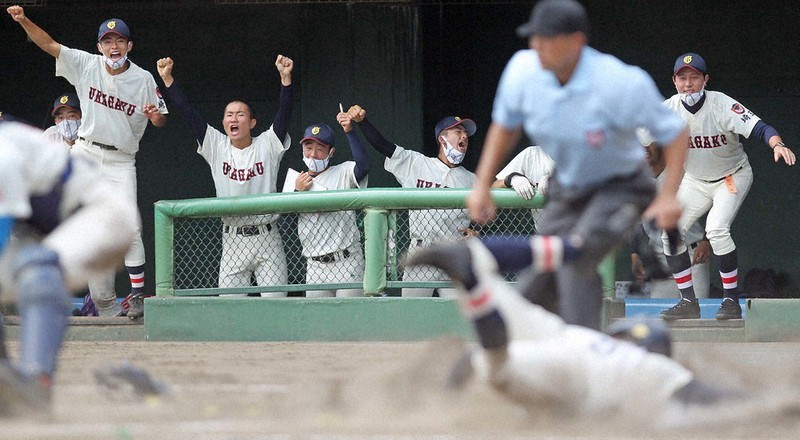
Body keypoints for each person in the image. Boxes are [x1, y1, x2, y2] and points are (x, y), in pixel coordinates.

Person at [464, 0, 688, 330]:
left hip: (621, 186)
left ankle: (587, 349)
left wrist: (668, 195)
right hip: (568, 186)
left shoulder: (618, 81)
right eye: (533, 37)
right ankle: (524, 349)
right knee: (538, 274)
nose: (536, 45)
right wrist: (483, 184)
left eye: (547, 38)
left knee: (575, 255)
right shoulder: (523, 70)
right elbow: (505, 127)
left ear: (577, 41)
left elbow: (675, 132)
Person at [403, 238, 737, 420]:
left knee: (491, 305)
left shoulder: (595, 339)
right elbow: (706, 396)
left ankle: (474, 265)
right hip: (575, 374)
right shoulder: (649, 366)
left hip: (560, 335)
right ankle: (474, 286)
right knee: (495, 364)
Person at [7, 6, 169, 319]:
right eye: (107, 41)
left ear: (129, 45)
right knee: (64, 214)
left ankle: (136, 295)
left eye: (119, 40)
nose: (113, 46)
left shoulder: (144, 78)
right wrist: (23, 20)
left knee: (129, 226)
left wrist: (155, 116)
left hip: (122, 159)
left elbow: (161, 119)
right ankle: (46, 279)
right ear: (99, 47)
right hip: (87, 150)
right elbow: (50, 45)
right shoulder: (86, 63)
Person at [0, 120, 139, 416]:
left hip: (104, 216)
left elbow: (3, 229)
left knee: (37, 265)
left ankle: (37, 381)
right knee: (35, 262)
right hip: (59, 231)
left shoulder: (4, 151)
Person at [658, 52, 796, 320]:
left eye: (694, 77)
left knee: (717, 229)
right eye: (682, 78)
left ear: (705, 80)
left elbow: (760, 128)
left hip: (731, 177)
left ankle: (731, 302)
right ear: (674, 81)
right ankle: (688, 301)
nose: (688, 84)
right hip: (696, 181)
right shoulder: (667, 110)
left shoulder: (721, 104)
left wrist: (777, 144)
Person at [156, 55, 293, 297]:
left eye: (240, 114)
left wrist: (285, 80)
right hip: (232, 238)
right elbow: (189, 113)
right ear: (223, 122)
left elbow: (284, 114)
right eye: (229, 114)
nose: (233, 118)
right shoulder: (217, 146)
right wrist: (168, 80)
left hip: (267, 236)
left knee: (276, 304)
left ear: (252, 122)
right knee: (229, 306)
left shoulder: (267, 145)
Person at [347, 104, 479, 297]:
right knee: (412, 315)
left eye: (466, 133)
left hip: (454, 253)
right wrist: (362, 122)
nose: (464, 136)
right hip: (422, 251)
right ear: (442, 138)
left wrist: (476, 231)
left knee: (458, 317)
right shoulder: (417, 164)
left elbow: (480, 213)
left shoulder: (472, 179)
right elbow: (383, 146)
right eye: (458, 131)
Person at [630, 128, 711, 299]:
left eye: (649, 144)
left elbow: (714, 198)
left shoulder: (680, 172)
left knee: (697, 313)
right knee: (661, 314)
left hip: (692, 254)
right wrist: (635, 253)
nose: (645, 149)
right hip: (660, 256)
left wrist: (706, 240)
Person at [293, 118, 370, 297]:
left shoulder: (342, 172)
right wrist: (297, 193)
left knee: (349, 320)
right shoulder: (296, 181)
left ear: (331, 152)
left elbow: (364, 166)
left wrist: (350, 131)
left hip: (346, 259)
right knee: (318, 322)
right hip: (314, 265)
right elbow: (286, 224)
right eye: (308, 147)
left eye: (320, 149)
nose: (313, 154)